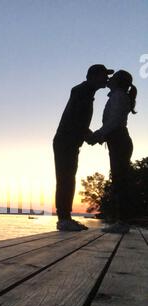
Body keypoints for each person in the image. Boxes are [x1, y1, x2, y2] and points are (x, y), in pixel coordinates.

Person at [54, 64, 114, 231]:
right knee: (65, 178)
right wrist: (92, 137)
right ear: (94, 76)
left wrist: (90, 136)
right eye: (104, 75)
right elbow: (77, 121)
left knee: (67, 178)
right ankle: (64, 219)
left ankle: (65, 217)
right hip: (66, 140)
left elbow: (79, 121)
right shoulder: (82, 91)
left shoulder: (87, 92)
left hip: (70, 141)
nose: (107, 78)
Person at [88, 70, 137, 234]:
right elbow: (113, 123)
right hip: (118, 140)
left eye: (113, 77)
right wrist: (101, 136)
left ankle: (122, 222)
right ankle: (121, 220)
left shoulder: (118, 96)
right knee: (118, 180)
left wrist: (97, 135)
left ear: (118, 81)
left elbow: (114, 121)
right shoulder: (118, 95)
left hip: (119, 140)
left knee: (120, 181)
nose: (109, 78)